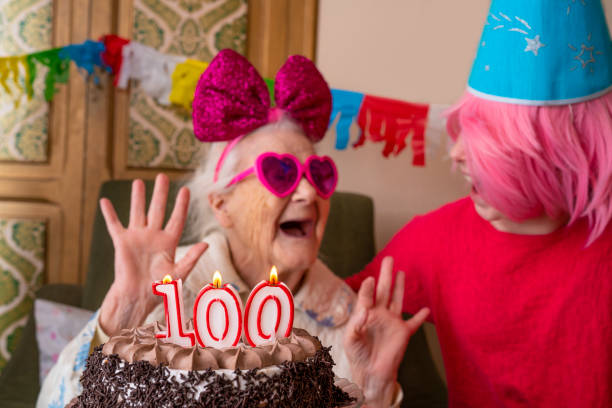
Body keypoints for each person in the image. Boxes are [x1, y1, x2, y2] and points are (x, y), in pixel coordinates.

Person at [37, 49, 428, 408]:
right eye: (281, 172)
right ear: (222, 205)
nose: (309, 192)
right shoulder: (169, 296)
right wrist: (122, 313)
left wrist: (375, 390)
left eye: (319, 173)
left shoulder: (352, 324)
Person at [346, 0, 612, 406]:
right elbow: (327, 312)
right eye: (466, 130)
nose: (456, 154)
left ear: (558, 150)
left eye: (492, 142)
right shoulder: (434, 239)